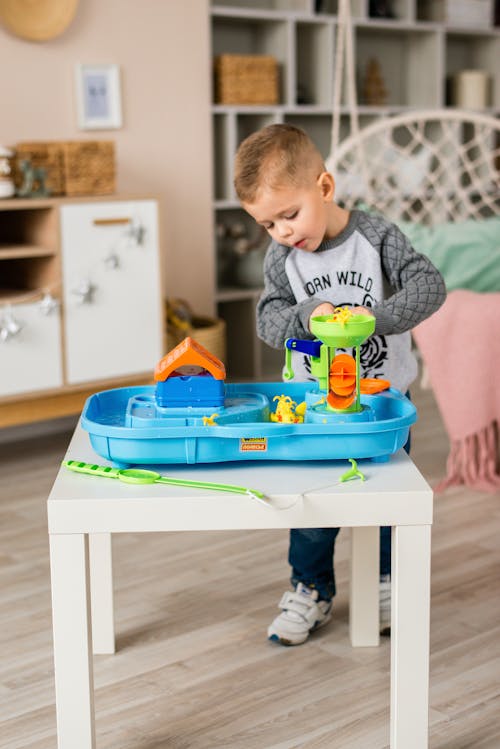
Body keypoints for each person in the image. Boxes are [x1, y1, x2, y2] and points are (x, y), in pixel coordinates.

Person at [233, 123, 446, 646]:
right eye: (268, 224)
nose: (282, 231)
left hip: (381, 404)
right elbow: (267, 321)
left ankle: (385, 583)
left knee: (386, 498)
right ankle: (310, 589)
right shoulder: (283, 259)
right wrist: (308, 315)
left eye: (290, 214)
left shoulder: (376, 238)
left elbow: (429, 286)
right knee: (313, 504)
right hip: (312, 406)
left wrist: (374, 319)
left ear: (324, 188)